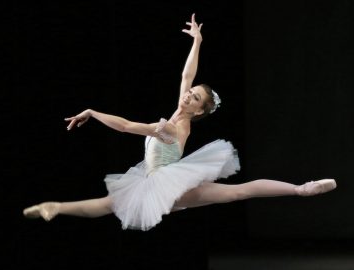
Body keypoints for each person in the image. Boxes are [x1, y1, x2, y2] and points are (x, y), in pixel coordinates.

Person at [23, 14, 336, 231]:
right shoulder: (178, 112)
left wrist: (92, 112)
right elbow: (187, 75)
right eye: (189, 94)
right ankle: (56, 207)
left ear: (198, 111)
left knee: (237, 193)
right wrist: (197, 41)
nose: (187, 96)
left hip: (166, 183)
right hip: (152, 180)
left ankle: (301, 189)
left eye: (194, 98)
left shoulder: (173, 127)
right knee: (108, 204)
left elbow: (127, 127)